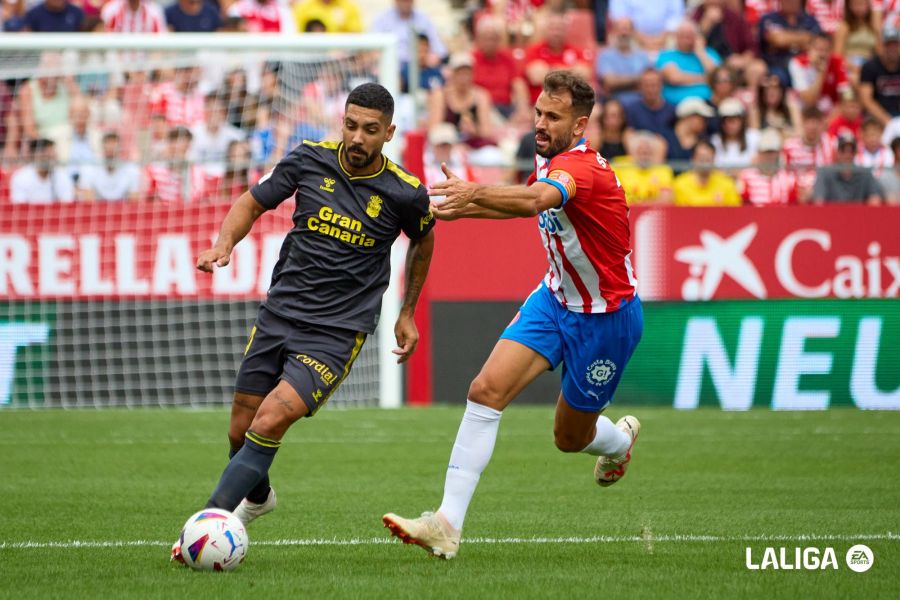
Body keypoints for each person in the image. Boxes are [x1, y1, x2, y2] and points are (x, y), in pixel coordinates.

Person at [382, 71, 643, 560]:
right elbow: (526, 205)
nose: (540, 124)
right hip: (553, 299)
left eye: (553, 117)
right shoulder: (548, 159)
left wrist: (474, 193)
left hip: (604, 318)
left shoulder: (580, 169)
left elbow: (536, 199)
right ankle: (445, 523)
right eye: (539, 113)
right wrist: (459, 210)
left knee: (570, 439)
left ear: (581, 124)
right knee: (485, 391)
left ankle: (618, 441)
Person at [170, 83, 435, 562]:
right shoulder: (309, 159)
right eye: (351, 126)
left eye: (370, 130)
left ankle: (204, 529)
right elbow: (252, 201)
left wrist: (408, 311)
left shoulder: (406, 192)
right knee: (240, 428)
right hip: (280, 312)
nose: (357, 138)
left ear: (389, 132)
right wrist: (224, 244)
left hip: (337, 331)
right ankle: (258, 498)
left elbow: (424, 240)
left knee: (272, 418)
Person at [656, 19, 722, 105]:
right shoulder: (666, 55)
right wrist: (707, 79)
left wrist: (701, 53)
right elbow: (675, 78)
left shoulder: (710, 53)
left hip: (708, 103)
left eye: (690, 35)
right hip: (677, 104)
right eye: (682, 35)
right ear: (676, 37)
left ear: (698, 37)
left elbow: (718, 77)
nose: (686, 39)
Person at [811, 133, 885, 204]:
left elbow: (875, 199)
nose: (847, 155)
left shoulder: (865, 173)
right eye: (843, 150)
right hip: (831, 215)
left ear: (855, 153)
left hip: (858, 215)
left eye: (851, 151)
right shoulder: (824, 173)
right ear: (837, 152)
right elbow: (818, 201)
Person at [787, 33, 851, 114]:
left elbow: (846, 96)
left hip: (831, 110)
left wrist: (830, 121)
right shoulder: (798, 63)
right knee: (792, 97)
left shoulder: (838, 62)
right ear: (809, 48)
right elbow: (809, 100)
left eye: (826, 50)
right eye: (818, 49)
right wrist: (820, 73)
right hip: (806, 111)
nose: (822, 54)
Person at [596, 17, 652, 106]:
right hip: (613, 102)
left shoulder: (642, 55)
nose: (624, 33)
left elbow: (647, 82)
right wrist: (637, 79)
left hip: (640, 103)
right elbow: (609, 82)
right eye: (620, 29)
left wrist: (619, 81)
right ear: (614, 32)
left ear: (633, 32)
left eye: (627, 29)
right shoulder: (605, 55)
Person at [738, 128, 799, 205]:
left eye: (772, 152)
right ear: (759, 153)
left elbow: (793, 207)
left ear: (778, 153)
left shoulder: (789, 179)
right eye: (765, 152)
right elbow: (743, 206)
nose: (769, 156)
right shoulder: (747, 177)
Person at [76, 132, 142, 202]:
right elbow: (88, 201)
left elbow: (134, 201)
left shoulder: (131, 170)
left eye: (113, 144)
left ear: (120, 148)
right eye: (107, 144)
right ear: (102, 147)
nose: (110, 148)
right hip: (98, 211)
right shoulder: (89, 169)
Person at [673, 139, 741, 206]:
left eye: (708, 159)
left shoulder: (727, 184)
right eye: (701, 159)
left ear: (714, 160)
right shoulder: (680, 184)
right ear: (693, 159)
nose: (705, 163)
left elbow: (735, 211)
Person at [10, 138, 75, 204]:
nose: (52, 156)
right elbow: (20, 206)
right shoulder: (20, 177)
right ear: (35, 155)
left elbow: (66, 203)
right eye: (47, 153)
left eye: (53, 152)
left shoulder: (62, 175)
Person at [860, 22, 900, 125]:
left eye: (895, 44)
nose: (892, 49)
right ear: (881, 46)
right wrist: (888, 121)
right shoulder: (870, 67)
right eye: (888, 45)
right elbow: (866, 100)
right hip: (878, 117)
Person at [292, 0, 362, 33]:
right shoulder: (303, 8)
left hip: (345, 56)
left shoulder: (349, 7)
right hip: (311, 56)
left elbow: (355, 33)